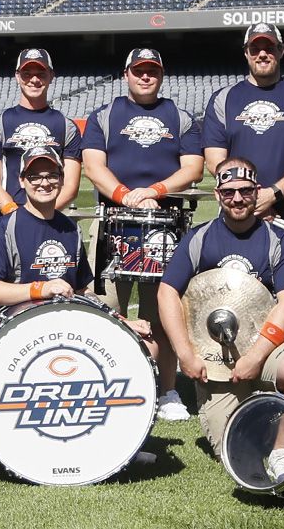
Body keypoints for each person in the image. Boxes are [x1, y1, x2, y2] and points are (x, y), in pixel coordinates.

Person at [0, 146, 158, 465]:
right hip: (23, 329)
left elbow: (83, 290)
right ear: (21, 180)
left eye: (51, 175)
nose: (43, 182)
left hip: (71, 326)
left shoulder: (69, 228)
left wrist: (119, 320)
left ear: (61, 180)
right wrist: (39, 289)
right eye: (35, 175)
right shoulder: (6, 226)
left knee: (147, 344)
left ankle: (122, 441)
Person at [156, 158, 284, 458]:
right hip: (215, 354)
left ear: (257, 192)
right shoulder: (198, 238)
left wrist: (257, 355)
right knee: (237, 452)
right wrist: (185, 354)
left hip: (267, 346)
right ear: (218, 194)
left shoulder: (279, 241)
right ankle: (270, 419)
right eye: (229, 192)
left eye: (245, 191)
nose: (237, 199)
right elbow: (167, 292)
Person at [76, 47, 205, 421]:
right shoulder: (104, 116)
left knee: (163, 311)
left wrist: (154, 192)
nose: (145, 77)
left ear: (161, 74)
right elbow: (93, 166)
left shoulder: (180, 117)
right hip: (113, 220)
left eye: (152, 71)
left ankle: (167, 391)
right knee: (108, 306)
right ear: (126, 74)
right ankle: (109, 382)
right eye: (138, 71)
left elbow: (193, 167)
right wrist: (124, 196)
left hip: (164, 225)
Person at [201, 23, 284, 227]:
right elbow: (214, 160)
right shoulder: (222, 99)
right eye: (255, 49)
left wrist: (272, 194)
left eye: (269, 48)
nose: (262, 54)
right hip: (237, 218)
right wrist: (250, 198)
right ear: (246, 53)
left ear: (281, 51)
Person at [0, 48, 80, 214]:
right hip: (9, 213)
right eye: (27, 74)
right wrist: (15, 214)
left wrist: (41, 215)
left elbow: (70, 187)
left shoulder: (67, 126)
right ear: (17, 76)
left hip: (51, 216)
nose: (34, 79)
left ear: (52, 76)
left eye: (41, 73)